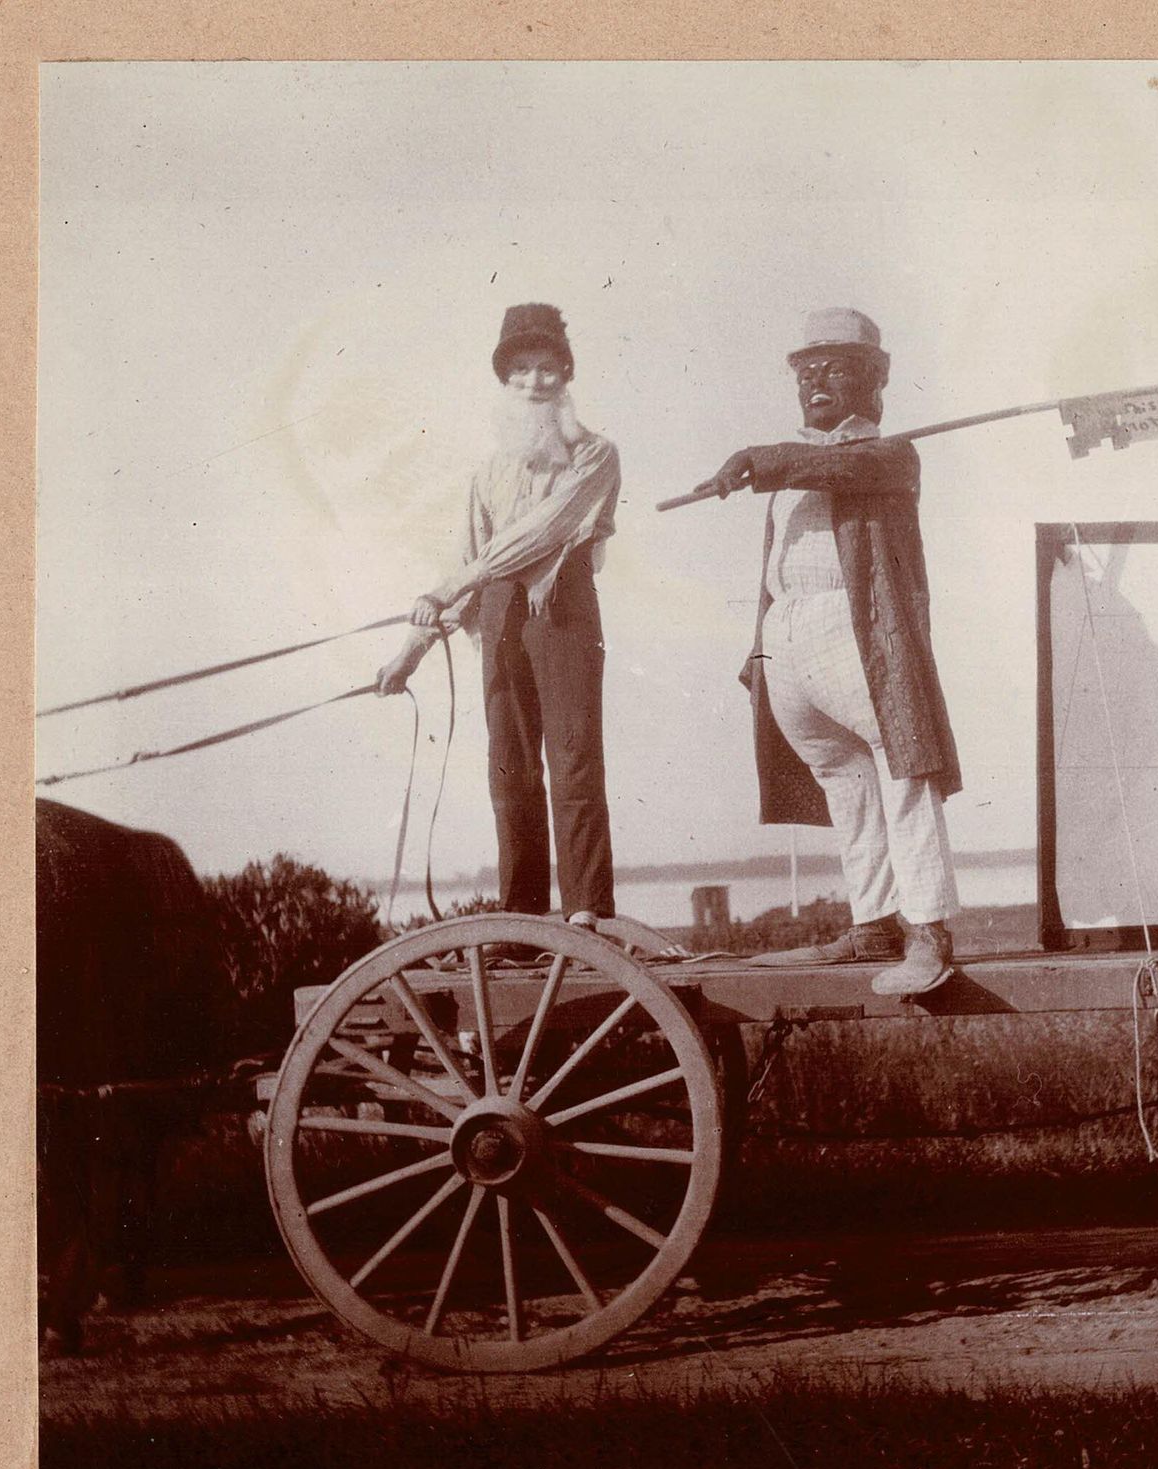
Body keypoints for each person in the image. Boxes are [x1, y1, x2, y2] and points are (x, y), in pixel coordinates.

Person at [690, 308, 963, 996]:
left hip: (856, 626)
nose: (814, 380)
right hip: (786, 633)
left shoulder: (889, 454)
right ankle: (873, 922)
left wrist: (760, 458)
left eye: (835, 367)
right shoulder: (795, 461)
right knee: (843, 778)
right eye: (805, 369)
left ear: (874, 381)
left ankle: (927, 930)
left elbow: (839, 467)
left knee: (903, 769)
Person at [375, 303, 622, 925]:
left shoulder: (594, 455)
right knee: (509, 768)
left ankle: (586, 911)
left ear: (565, 375)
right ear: (505, 381)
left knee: (573, 761)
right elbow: (467, 565)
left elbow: (540, 535)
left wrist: (451, 587)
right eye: (520, 370)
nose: (534, 382)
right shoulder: (488, 473)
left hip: (563, 609)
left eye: (546, 368)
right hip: (498, 613)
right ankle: (521, 916)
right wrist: (408, 654)